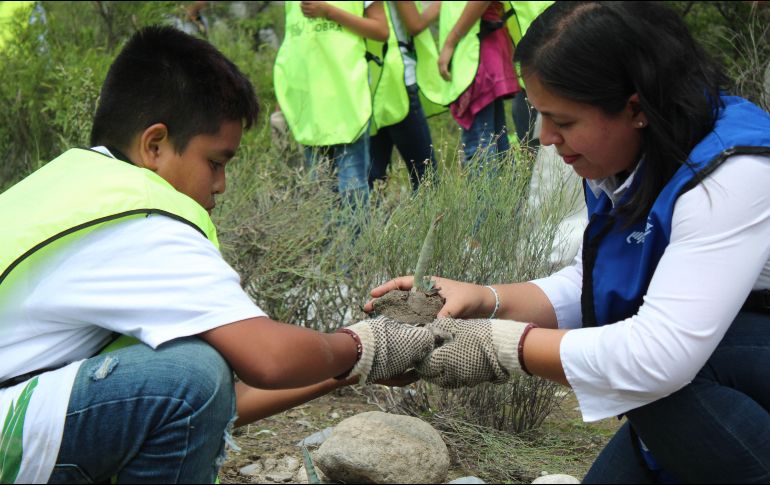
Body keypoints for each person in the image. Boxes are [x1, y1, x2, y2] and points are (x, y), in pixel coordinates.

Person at [0, 26, 435, 484]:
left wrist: (351, 368)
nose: (221, 185)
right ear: (155, 145)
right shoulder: (143, 216)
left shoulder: (72, 185)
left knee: (192, 376)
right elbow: (257, 364)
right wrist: (368, 343)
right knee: (192, 373)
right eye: (216, 162)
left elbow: (218, 401)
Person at [366, 2, 770, 482]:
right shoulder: (625, 153)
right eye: (538, 114)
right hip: (697, 371)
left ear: (635, 107)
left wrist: (499, 347)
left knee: (662, 376)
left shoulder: (733, 173)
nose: (546, 137)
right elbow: (593, 278)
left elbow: (659, 358)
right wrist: (486, 300)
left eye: (564, 120)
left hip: (718, 363)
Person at [273, 1, 388, 208]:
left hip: (347, 100)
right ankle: (329, 241)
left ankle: (357, 241)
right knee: (321, 193)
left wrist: (329, 12)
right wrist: (282, 99)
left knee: (352, 190)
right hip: (308, 106)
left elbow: (381, 30)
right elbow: (293, 46)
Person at [429, 1, 521, 165]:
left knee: (480, 149)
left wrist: (450, 43)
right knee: (498, 145)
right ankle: (506, 190)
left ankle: (489, 191)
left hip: (476, 52)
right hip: (482, 47)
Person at [368, 0, 441, 192]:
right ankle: (428, 222)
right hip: (398, 82)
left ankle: (370, 221)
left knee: (373, 177)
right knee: (425, 176)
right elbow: (414, 23)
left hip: (371, 83)